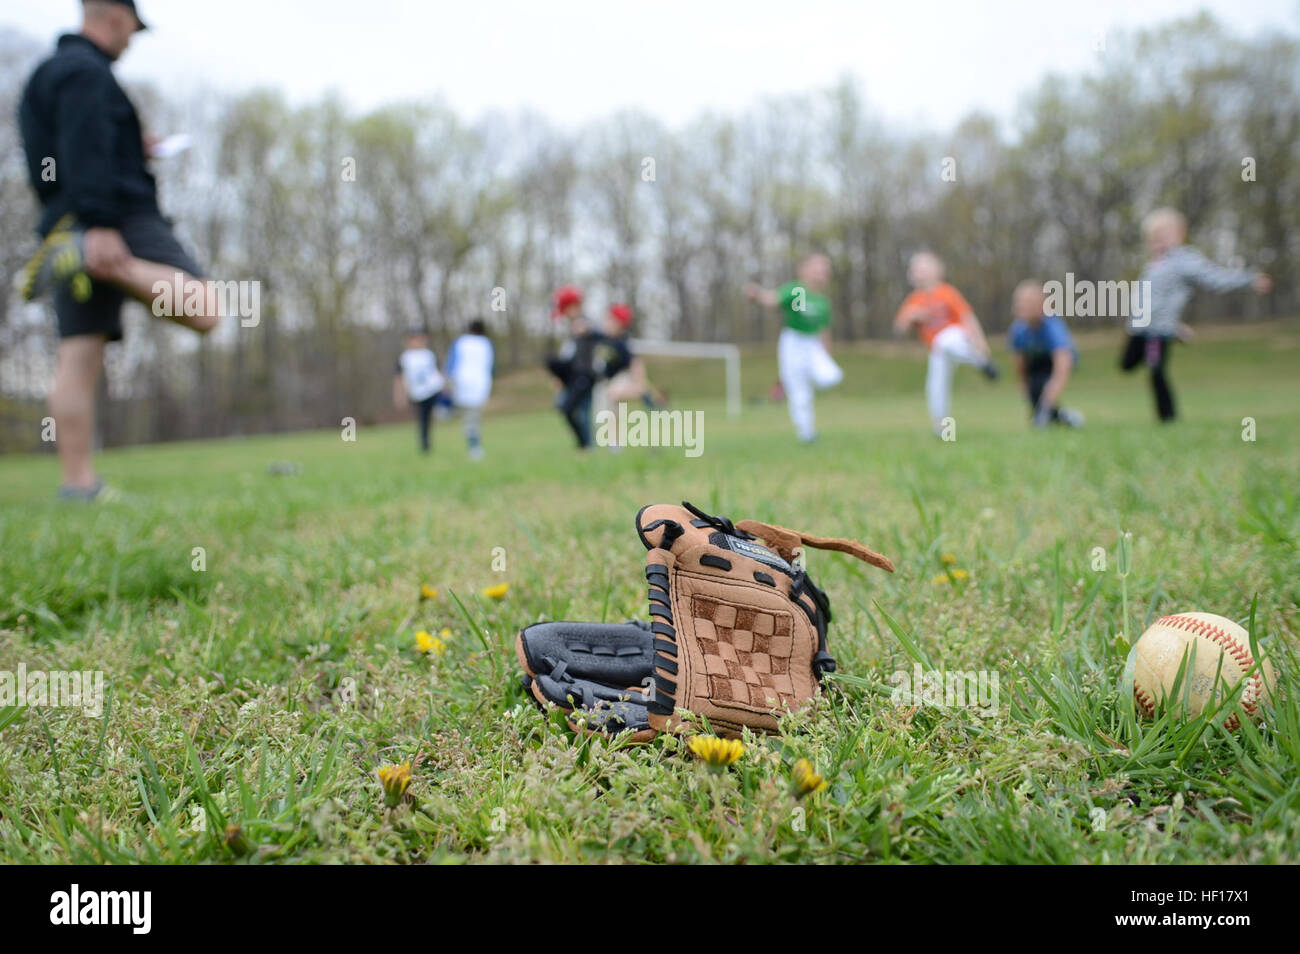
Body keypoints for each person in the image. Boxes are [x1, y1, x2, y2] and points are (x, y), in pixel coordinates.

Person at [17, 0, 224, 500]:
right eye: (133, 27)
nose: (132, 39)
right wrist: (104, 228)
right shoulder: (87, 73)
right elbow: (85, 149)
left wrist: (134, 147)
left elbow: (61, 152)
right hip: (114, 217)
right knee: (207, 309)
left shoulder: (44, 75)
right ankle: (97, 257)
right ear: (115, 16)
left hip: (64, 222)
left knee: (79, 354)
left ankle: (79, 486)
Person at [1121, 208, 1272, 423]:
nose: (1158, 241)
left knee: (1156, 371)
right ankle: (1171, 334)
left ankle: (1168, 419)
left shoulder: (1184, 260)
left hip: (1157, 330)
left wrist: (1250, 279)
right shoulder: (1154, 265)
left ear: (1180, 234)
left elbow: (1215, 278)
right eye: (1154, 237)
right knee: (1126, 365)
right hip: (1139, 328)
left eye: (1164, 235)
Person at [893, 251, 999, 435]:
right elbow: (899, 328)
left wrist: (981, 343)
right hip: (937, 350)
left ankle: (980, 360)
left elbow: (968, 317)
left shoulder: (947, 293)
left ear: (938, 271)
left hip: (957, 338)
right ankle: (943, 429)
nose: (921, 273)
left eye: (925, 268)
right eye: (917, 269)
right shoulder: (913, 300)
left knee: (946, 341)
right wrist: (911, 315)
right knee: (935, 387)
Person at [744, 253, 842, 443]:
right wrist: (757, 294)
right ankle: (807, 434)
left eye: (825, 269)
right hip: (794, 341)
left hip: (813, 344)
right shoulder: (797, 291)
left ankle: (799, 383)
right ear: (804, 270)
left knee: (832, 376)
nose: (822, 272)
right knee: (800, 392)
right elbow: (773, 299)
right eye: (818, 267)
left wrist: (826, 353)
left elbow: (824, 331)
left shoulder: (822, 302)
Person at [545, 286, 629, 449]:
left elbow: (604, 340)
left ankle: (590, 445)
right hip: (573, 376)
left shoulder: (587, 324)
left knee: (585, 411)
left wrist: (589, 331)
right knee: (569, 407)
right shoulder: (572, 327)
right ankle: (586, 443)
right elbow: (569, 353)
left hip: (587, 375)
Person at [1007, 281, 1084, 428]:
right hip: (1036, 361)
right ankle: (1065, 417)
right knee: (1034, 391)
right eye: (1020, 303)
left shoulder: (1053, 327)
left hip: (1057, 362)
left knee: (1044, 389)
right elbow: (1020, 362)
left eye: (1029, 303)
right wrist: (1023, 384)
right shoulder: (1018, 330)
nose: (1023, 307)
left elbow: (1063, 364)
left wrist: (1051, 393)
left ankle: (1045, 415)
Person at [445, 319, 494, 460]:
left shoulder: (461, 342)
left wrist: (448, 383)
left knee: (468, 418)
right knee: (473, 418)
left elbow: (451, 365)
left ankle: (473, 446)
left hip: (461, 383)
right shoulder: (487, 344)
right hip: (480, 385)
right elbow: (491, 366)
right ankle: (474, 447)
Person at [393, 328, 444, 454]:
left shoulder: (429, 354)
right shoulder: (405, 358)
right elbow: (399, 378)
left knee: (437, 412)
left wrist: (445, 386)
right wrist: (400, 395)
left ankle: (443, 412)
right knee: (423, 419)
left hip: (433, 390)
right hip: (418, 393)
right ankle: (425, 445)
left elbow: (438, 372)